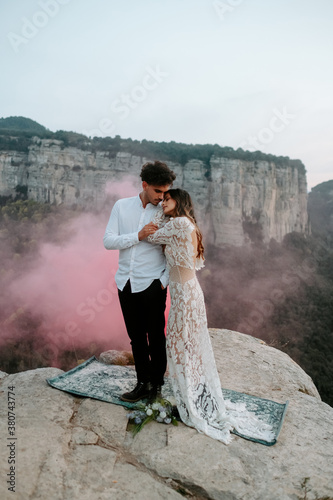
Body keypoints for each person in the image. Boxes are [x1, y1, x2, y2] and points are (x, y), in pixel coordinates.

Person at [147, 188, 274, 444]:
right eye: (162, 199)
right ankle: (190, 390)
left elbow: (150, 237)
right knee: (183, 344)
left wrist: (160, 217)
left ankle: (189, 396)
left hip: (185, 295)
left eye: (168, 199)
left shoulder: (180, 223)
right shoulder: (185, 223)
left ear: (179, 202)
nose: (162, 202)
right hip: (186, 293)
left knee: (178, 343)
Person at [103, 160, 176, 403]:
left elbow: (176, 251)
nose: (162, 197)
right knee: (136, 338)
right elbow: (108, 241)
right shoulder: (121, 207)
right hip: (125, 282)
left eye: (166, 192)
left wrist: (162, 282)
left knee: (156, 337)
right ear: (144, 185)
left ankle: (156, 385)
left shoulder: (167, 211)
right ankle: (142, 383)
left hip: (152, 284)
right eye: (158, 191)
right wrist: (138, 235)